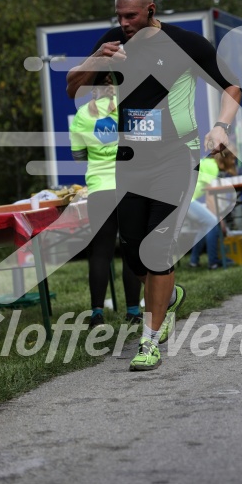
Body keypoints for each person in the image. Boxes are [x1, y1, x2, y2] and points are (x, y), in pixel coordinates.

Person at [66, 0, 241, 371]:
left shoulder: (186, 43)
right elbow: (71, 87)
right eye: (119, 16)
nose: (124, 23)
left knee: (157, 246)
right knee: (132, 249)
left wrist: (220, 126)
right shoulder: (113, 42)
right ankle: (169, 294)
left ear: (151, 9)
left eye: (131, 16)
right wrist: (97, 57)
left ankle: (150, 339)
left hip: (177, 157)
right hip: (131, 161)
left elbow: (231, 84)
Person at [69, 75, 142, 327]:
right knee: (131, 250)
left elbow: (79, 156)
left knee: (100, 254)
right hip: (128, 186)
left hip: (99, 190)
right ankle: (133, 312)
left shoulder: (81, 115)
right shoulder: (129, 104)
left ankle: (97, 314)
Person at [187, 152, 232, 269]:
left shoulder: (207, 163)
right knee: (213, 223)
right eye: (232, 159)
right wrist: (219, 219)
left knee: (204, 226)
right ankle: (214, 262)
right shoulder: (212, 167)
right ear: (225, 159)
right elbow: (210, 196)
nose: (233, 162)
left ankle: (194, 261)